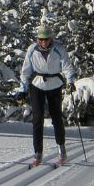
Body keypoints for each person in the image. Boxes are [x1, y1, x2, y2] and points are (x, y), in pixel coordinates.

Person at [18, 25, 76, 167]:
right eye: (41, 39)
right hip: (37, 85)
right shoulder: (32, 49)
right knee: (37, 119)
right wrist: (23, 89)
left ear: (51, 38)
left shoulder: (59, 49)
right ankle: (38, 152)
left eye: (46, 39)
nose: (43, 42)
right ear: (38, 39)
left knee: (57, 118)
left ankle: (61, 149)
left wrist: (70, 81)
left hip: (55, 84)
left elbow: (67, 66)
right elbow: (26, 70)